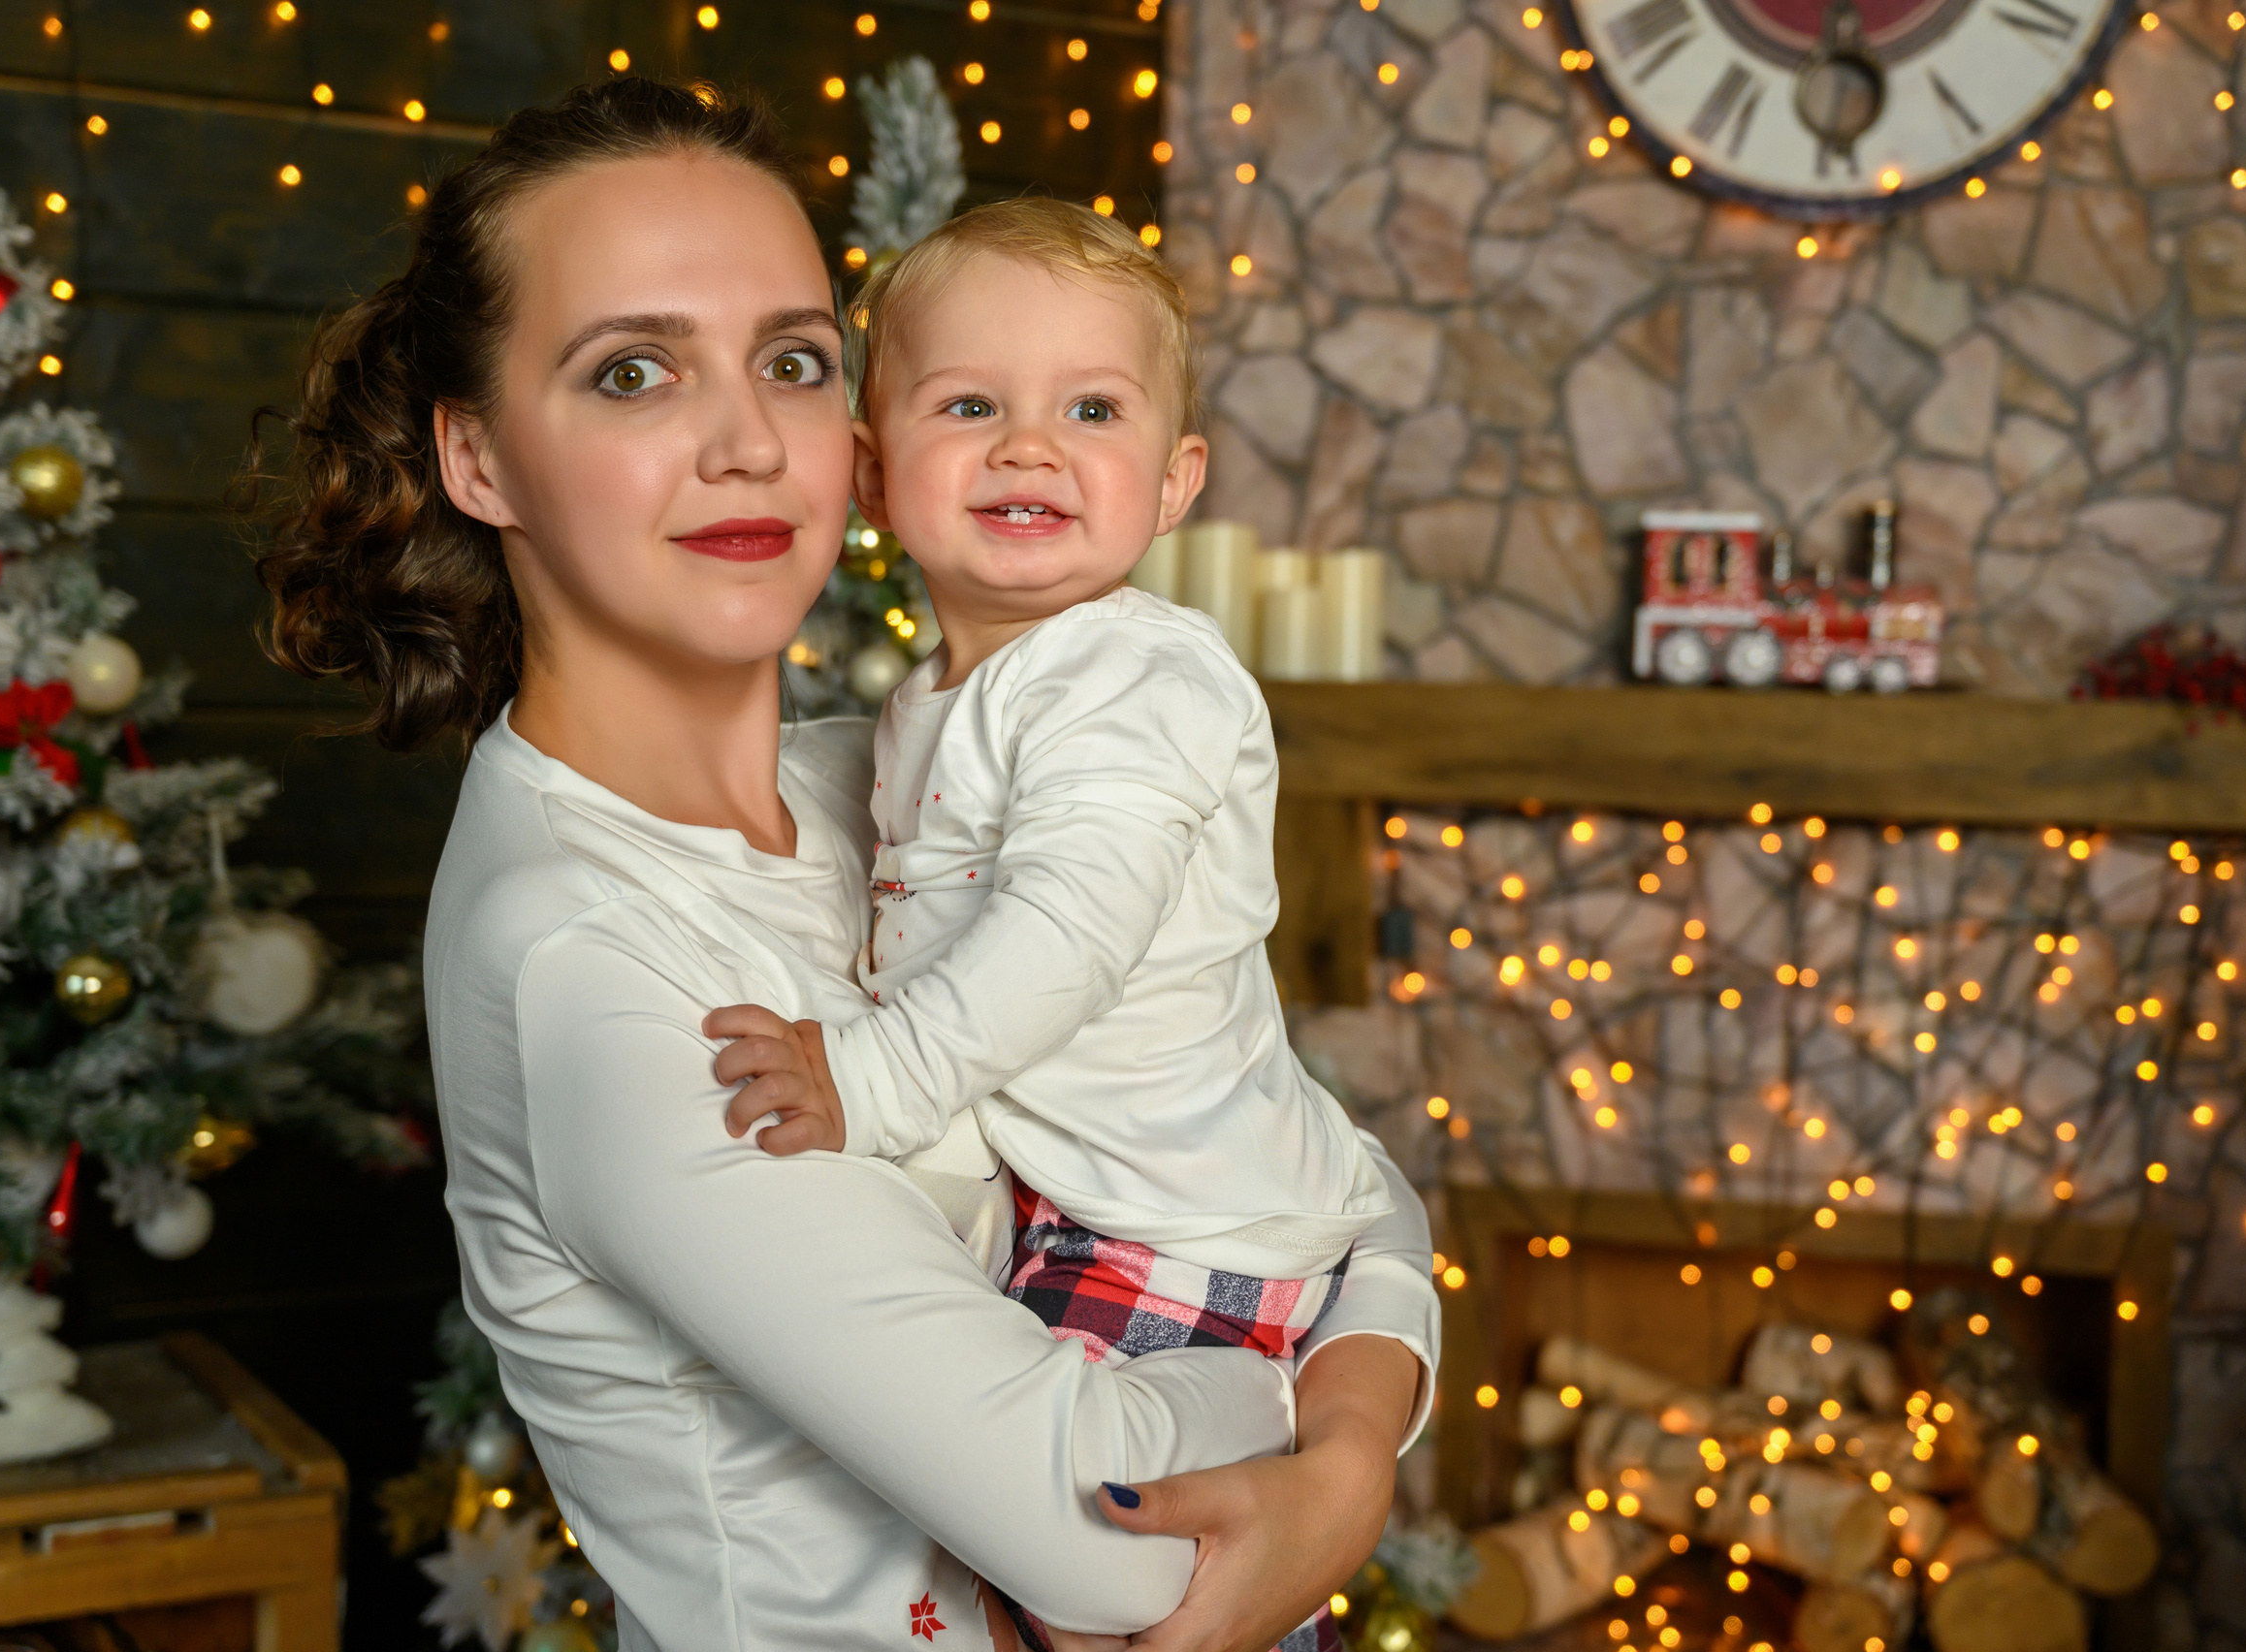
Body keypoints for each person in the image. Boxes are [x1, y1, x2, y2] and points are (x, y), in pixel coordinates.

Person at [250, 78, 1438, 1652]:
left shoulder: (903, 780)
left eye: (794, 362)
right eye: (632, 372)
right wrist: (1320, 1414)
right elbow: (1109, 1552)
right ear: (479, 459)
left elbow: (1318, 1168)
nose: (747, 443)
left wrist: (1343, 1462)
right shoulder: (586, 956)